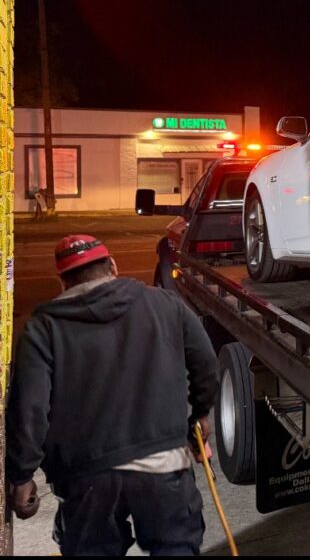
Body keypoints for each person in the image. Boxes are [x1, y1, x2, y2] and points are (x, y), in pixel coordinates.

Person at [4, 235, 219, 555]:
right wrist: (200, 416)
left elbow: (30, 409)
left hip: (85, 477)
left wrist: (22, 475)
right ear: (113, 266)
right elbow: (205, 365)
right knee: (176, 546)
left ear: (62, 282)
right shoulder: (164, 303)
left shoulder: (43, 327)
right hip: (163, 464)